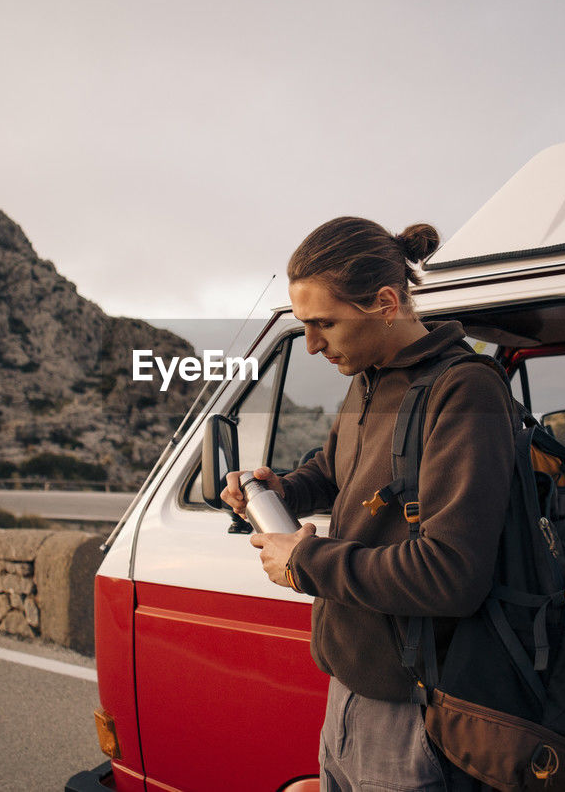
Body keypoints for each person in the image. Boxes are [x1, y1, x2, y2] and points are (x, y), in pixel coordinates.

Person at [222, 217, 516, 791]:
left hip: (417, 712)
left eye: (324, 324)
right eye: (305, 326)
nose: (312, 344)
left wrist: (306, 562)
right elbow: (337, 471)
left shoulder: (464, 391)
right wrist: (283, 489)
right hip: (350, 686)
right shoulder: (368, 377)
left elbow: (451, 574)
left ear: (385, 303)